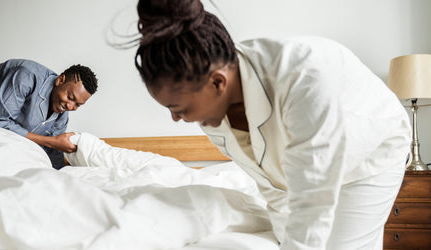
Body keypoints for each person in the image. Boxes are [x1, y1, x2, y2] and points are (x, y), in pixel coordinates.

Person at [133, 0, 411, 249]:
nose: (177, 119)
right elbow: (272, 182)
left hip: (372, 154)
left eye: (178, 109)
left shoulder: (303, 78)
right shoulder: (212, 114)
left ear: (217, 82)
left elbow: (313, 196)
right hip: (311, 169)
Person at [0, 59, 98, 169]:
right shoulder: (26, 76)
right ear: (60, 80)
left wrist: (58, 175)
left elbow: (53, 152)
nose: (71, 106)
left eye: (78, 104)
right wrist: (50, 141)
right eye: (70, 97)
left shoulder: (62, 113)